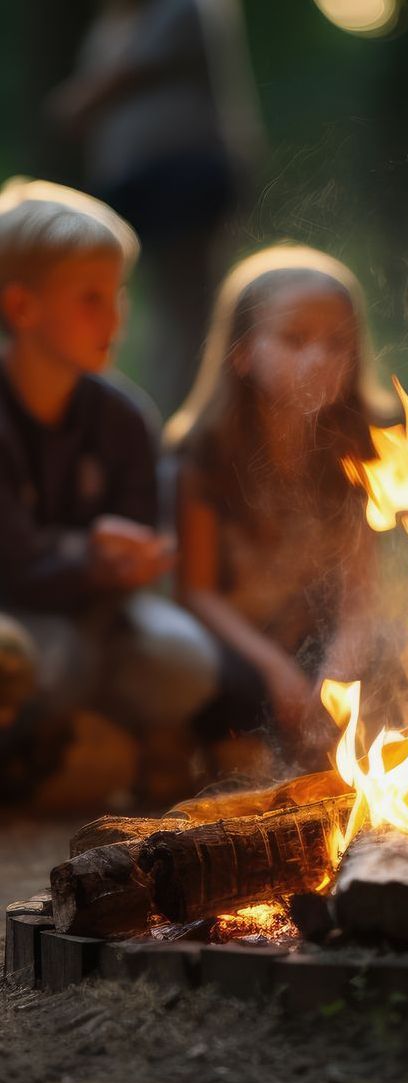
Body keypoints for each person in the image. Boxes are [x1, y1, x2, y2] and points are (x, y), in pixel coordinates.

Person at [0, 178, 218, 802]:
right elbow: (16, 570)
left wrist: (136, 559)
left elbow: (141, 536)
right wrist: (90, 554)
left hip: (97, 609)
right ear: (22, 309)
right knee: (50, 659)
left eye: (118, 294)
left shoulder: (123, 415)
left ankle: (70, 741)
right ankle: (61, 747)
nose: (116, 319)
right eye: (90, 299)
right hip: (17, 614)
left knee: (184, 662)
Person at [165, 245, 402, 773]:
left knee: (397, 649)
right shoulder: (207, 454)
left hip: (311, 639)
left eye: (337, 343)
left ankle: (345, 752)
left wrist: (340, 671)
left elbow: (359, 599)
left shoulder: (359, 452)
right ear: (242, 353)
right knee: (215, 678)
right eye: (294, 340)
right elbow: (196, 593)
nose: (319, 358)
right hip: (237, 647)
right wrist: (275, 670)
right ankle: (229, 750)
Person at [46, 0, 264, 416]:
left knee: (188, 306)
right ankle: (164, 412)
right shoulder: (111, 24)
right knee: (152, 307)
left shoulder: (184, 9)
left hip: (184, 179)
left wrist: (78, 99)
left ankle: (192, 418)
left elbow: (124, 75)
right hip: (136, 185)